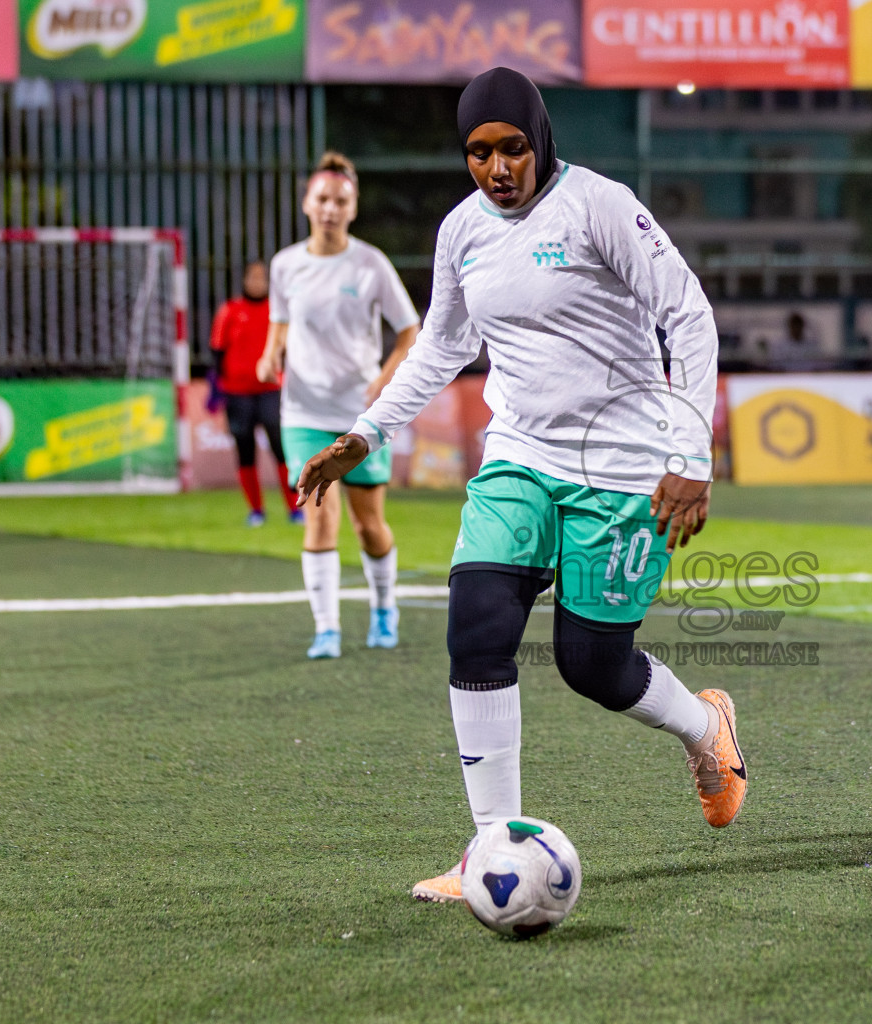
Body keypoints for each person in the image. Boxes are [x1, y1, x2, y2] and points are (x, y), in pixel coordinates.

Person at [296, 67, 745, 903]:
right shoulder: (462, 229)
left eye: (510, 149)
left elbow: (687, 314)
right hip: (520, 459)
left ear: (539, 140)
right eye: (477, 152)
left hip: (622, 470)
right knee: (475, 629)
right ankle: (491, 848)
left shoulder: (599, 206)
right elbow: (441, 344)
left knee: (592, 666)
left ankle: (707, 728)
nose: (496, 168)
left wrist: (693, 456)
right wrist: (365, 433)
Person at [256, 151, 421, 660]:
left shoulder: (370, 264)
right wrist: (269, 354)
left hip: (360, 416)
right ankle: (326, 628)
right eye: (322, 198)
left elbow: (410, 329)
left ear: (353, 208)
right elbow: (281, 322)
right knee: (318, 518)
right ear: (307, 202)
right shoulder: (285, 265)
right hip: (303, 412)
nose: (330, 207)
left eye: (340, 201)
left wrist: (384, 379)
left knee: (368, 525)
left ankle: (384, 608)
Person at [209, 261, 300, 527]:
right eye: (253, 278)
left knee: (281, 449)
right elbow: (217, 350)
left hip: (271, 390)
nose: (258, 283)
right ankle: (256, 510)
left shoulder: (277, 312)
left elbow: (290, 348)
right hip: (238, 393)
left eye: (263, 278)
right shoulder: (230, 310)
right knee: (245, 449)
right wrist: (217, 387)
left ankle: (294, 509)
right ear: (245, 280)